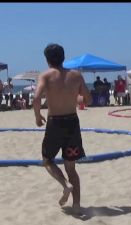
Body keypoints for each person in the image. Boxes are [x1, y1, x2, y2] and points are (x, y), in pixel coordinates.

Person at [33, 43, 92, 215]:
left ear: (47, 60)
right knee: (71, 168)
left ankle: (65, 184)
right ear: (63, 57)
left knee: (47, 160)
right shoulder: (76, 75)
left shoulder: (45, 75)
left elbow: (36, 98)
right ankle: (76, 205)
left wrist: (37, 116)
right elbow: (87, 99)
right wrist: (75, 96)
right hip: (72, 123)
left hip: (55, 123)